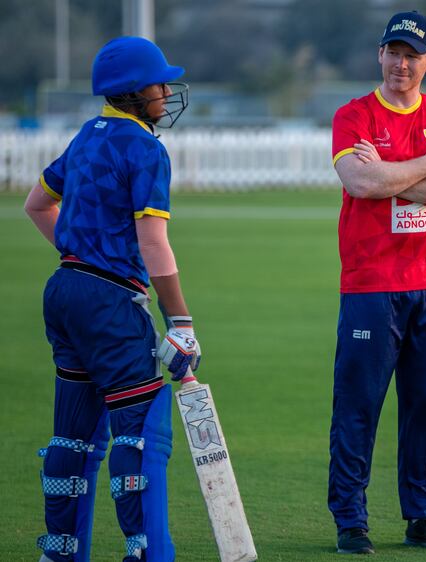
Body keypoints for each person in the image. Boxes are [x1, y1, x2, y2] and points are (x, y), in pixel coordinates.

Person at [25, 36, 199, 562]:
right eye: (157, 83)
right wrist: (181, 321)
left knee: (73, 437)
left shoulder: (86, 136)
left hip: (64, 290)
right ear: (130, 92)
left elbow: (36, 205)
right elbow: (152, 241)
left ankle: (60, 552)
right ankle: (148, 554)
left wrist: (83, 256)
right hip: (108, 300)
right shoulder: (145, 147)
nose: (166, 92)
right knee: (140, 432)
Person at [328, 10, 426, 555]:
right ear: (380, 55)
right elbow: (359, 180)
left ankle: (425, 517)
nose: (401, 63)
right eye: (394, 52)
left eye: (413, 55)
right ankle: (351, 520)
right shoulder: (354, 115)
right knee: (358, 404)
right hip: (370, 287)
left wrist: (395, 174)